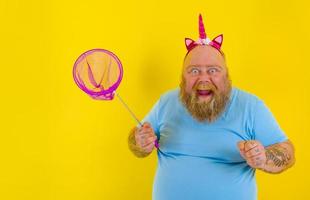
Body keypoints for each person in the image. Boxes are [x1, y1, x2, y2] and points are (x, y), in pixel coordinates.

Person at [128, 14, 295, 200]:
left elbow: (287, 152)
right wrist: (139, 142)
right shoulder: (166, 102)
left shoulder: (250, 106)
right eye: (194, 71)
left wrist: (264, 158)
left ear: (226, 76)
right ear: (183, 77)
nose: (203, 78)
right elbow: (136, 144)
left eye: (213, 70)